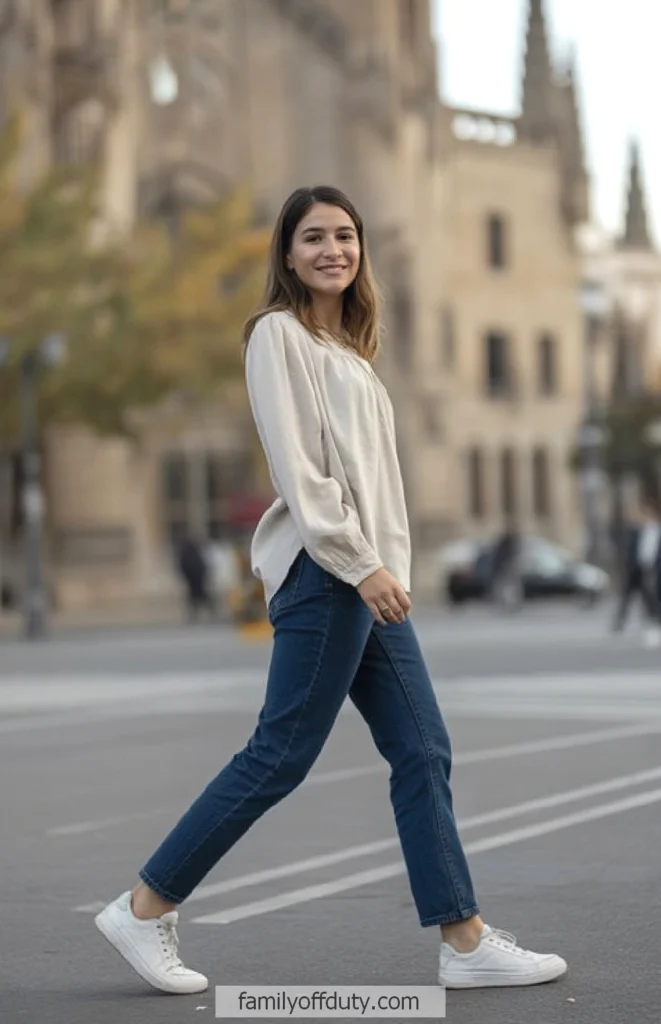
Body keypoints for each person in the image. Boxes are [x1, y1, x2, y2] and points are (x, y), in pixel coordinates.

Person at [94, 186, 568, 995]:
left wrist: (383, 570)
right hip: (331, 573)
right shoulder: (277, 335)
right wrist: (362, 563)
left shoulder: (347, 349)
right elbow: (301, 473)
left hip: (366, 581)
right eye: (312, 238)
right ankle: (143, 908)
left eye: (345, 236)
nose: (332, 250)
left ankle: (463, 938)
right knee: (278, 754)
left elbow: (372, 481)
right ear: (286, 254)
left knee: (422, 749)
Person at [612, 496, 661, 646]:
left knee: (651, 596)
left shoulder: (655, 531)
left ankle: (655, 617)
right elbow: (628, 550)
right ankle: (620, 621)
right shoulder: (635, 531)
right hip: (636, 568)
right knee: (629, 595)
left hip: (653, 567)